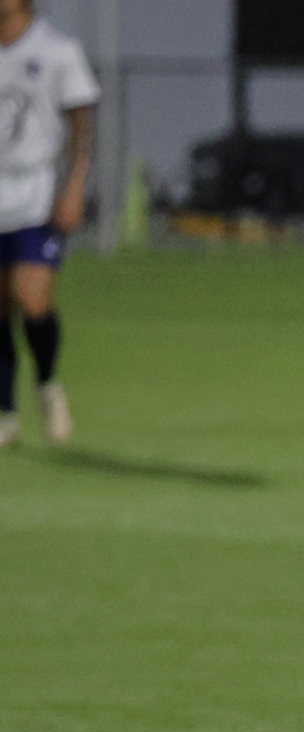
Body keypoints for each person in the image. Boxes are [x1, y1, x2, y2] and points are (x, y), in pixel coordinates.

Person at [0, 0, 96, 447]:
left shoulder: (57, 50)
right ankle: (5, 414)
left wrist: (75, 185)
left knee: (32, 299)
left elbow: (81, 123)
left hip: (34, 194)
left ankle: (47, 383)